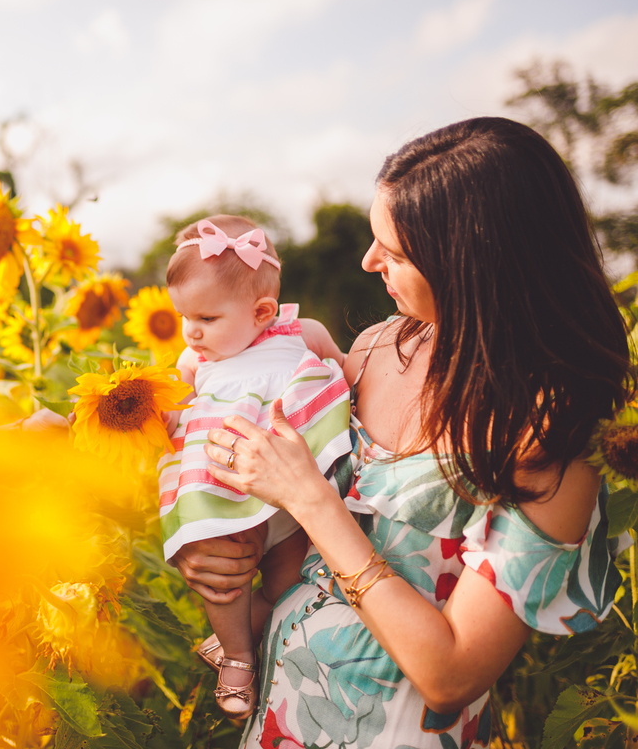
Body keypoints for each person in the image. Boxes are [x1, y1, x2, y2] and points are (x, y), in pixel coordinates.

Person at [171, 116, 634, 747]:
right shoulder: (374, 350)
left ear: (471, 264)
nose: (369, 262)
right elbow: (284, 512)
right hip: (280, 718)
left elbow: (451, 675)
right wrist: (218, 554)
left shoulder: (545, 439)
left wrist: (310, 499)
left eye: (394, 253)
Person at [159, 214, 352, 720]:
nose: (191, 331)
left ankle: (243, 631)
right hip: (225, 485)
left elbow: (352, 376)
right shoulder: (194, 361)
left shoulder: (303, 334)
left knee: (290, 584)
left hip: (293, 489)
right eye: (184, 316)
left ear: (263, 312)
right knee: (225, 577)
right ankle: (239, 658)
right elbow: (170, 411)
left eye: (207, 318)